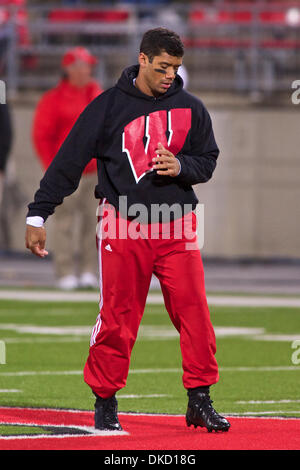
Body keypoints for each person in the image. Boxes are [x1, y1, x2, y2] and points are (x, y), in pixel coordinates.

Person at [25, 28, 230, 433]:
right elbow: (68, 160)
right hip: (123, 222)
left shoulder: (192, 107)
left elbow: (207, 159)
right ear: (142, 59)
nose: (169, 75)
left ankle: (199, 398)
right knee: (118, 317)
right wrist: (38, 214)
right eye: (162, 67)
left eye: (175, 67)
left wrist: (183, 167)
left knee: (195, 313)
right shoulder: (107, 107)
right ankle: (105, 401)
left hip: (178, 225)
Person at [32, 46, 103, 289]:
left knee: (93, 224)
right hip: (67, 173)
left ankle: (88, 271)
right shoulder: (53, 99)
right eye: (82, 65)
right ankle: (64, 272)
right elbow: (42, 136)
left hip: (94, 172)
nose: (87, 70)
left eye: (88, 65)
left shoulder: (97, 94)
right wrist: (54, 169)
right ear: (69, 69)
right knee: (63, 224)